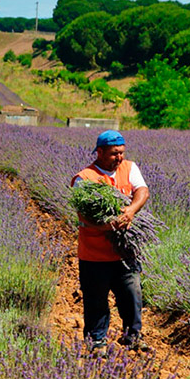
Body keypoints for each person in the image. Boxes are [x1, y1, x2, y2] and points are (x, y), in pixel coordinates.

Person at [70, 129, 150, 354]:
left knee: (132, 294)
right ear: (100, 152)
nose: (119, 158)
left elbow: (142, 191)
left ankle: (133, 337)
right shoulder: (84, 178)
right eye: (114, 153)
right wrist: (107, 226)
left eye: (122, 153)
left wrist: (131, 211)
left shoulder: (129, 168)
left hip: (125, 253)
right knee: (96, 301)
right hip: (94, 255)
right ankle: (96, 342)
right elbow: (84, 216)